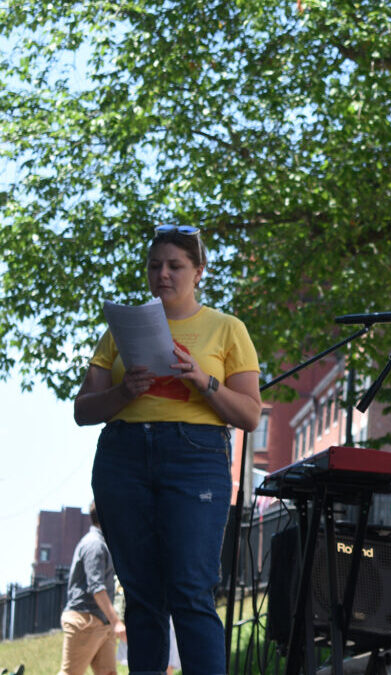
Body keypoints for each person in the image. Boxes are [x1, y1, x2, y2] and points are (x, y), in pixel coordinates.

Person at [74, 225, 262, 674]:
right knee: (141, 596)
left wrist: (204, 380)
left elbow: (250, 414)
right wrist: (124, 392)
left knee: (191, 590)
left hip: (195, 458)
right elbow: (83, 410)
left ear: (199, 271)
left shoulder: (226, 328)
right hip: (123, 458)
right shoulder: (120, 329)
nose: (163, 274)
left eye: (175, 265)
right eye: (155, 265)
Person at [58, 501, 126, 675]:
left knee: (109, 673)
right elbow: (96, 587)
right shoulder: (94, 545)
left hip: (102, 623)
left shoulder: (103, 544)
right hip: (85, 620)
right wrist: (116, 622)